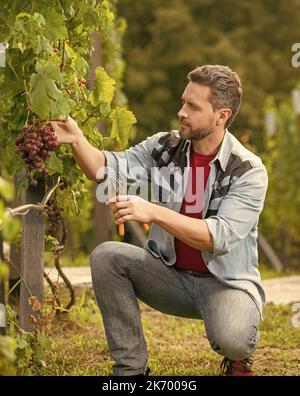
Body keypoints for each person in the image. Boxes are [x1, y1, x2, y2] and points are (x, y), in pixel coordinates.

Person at [50, 65, 268, 376]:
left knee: (233, 337)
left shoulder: (247, 170)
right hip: (171, 277)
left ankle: (237, 357)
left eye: (193, 106)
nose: (182, 112)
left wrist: (152, 211)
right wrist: (76, 140)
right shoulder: (166, 147)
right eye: (183, 102)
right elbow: (105, 169)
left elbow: (217, 238)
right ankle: (131, 370)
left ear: (221, 115)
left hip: (225, 284)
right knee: (107, 257)